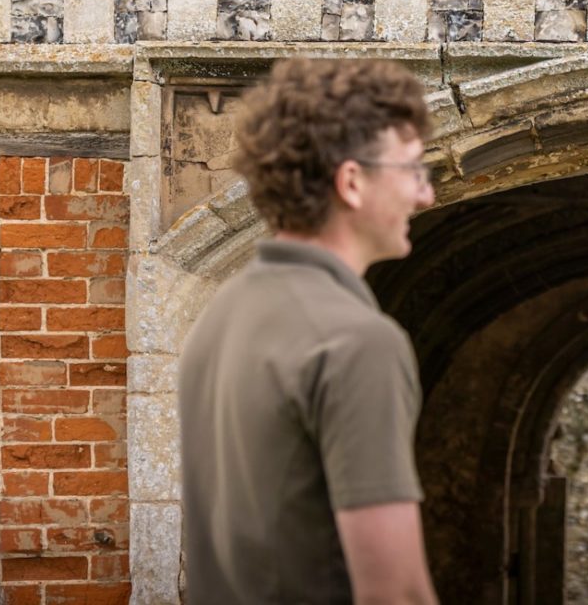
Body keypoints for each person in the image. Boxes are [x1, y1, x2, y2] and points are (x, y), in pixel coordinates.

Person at [180, 58, 440, 605]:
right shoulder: (358, 341)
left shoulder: (219, 317)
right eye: (414, 171)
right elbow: (395, 593)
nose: (426, 195)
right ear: (352, 182)